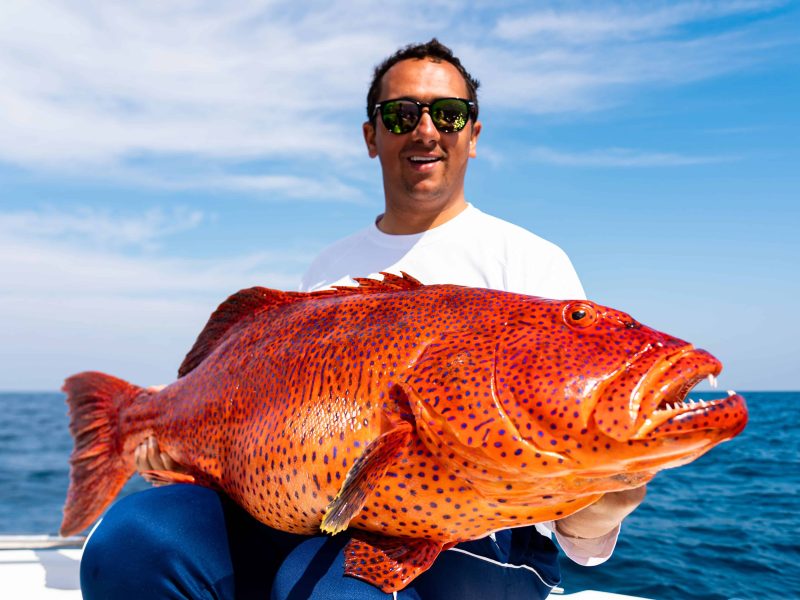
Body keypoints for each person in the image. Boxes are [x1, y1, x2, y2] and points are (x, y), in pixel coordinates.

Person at [80, 39, 645, 600]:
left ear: (473, 134)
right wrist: (177, 444)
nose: (426, 130)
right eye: (401, 114)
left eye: (449, 114)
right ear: (371, 136)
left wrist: (600, 507)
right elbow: (269, 411)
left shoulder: (530, 263)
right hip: (323, 522)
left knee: (335, 590)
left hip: (481, 542)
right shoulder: (330, 269)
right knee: (135, 540)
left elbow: (571, 499)